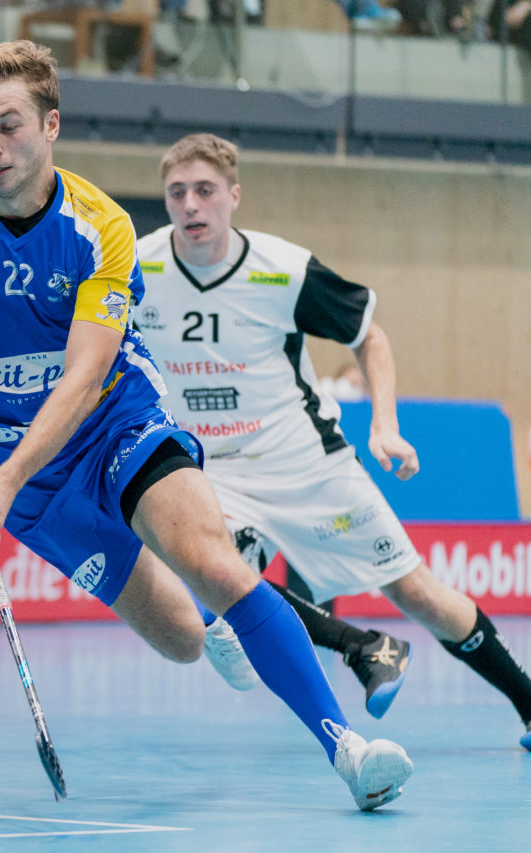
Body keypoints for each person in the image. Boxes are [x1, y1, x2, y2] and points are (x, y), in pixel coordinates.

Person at [0, 40, 411, 810]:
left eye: (8, 126)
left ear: (51, 124)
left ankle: (347, 747)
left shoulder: (101, 228)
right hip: (22, 476)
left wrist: (1, 481)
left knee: (219, 564)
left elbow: (84, 375)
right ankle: (220, 621)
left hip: (111, 425)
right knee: (184, 637)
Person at [135, 132, 531, 750]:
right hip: (210, 470)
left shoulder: (282, 269)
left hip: (304, 461)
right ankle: (364, 647)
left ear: (233, 196)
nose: (190, 205)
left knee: (418, 593)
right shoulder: (139, 266)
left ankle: (527, 701)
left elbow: (369, 337)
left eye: (205, 191)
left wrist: (384, 424)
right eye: (177, 193)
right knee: (215, 573)